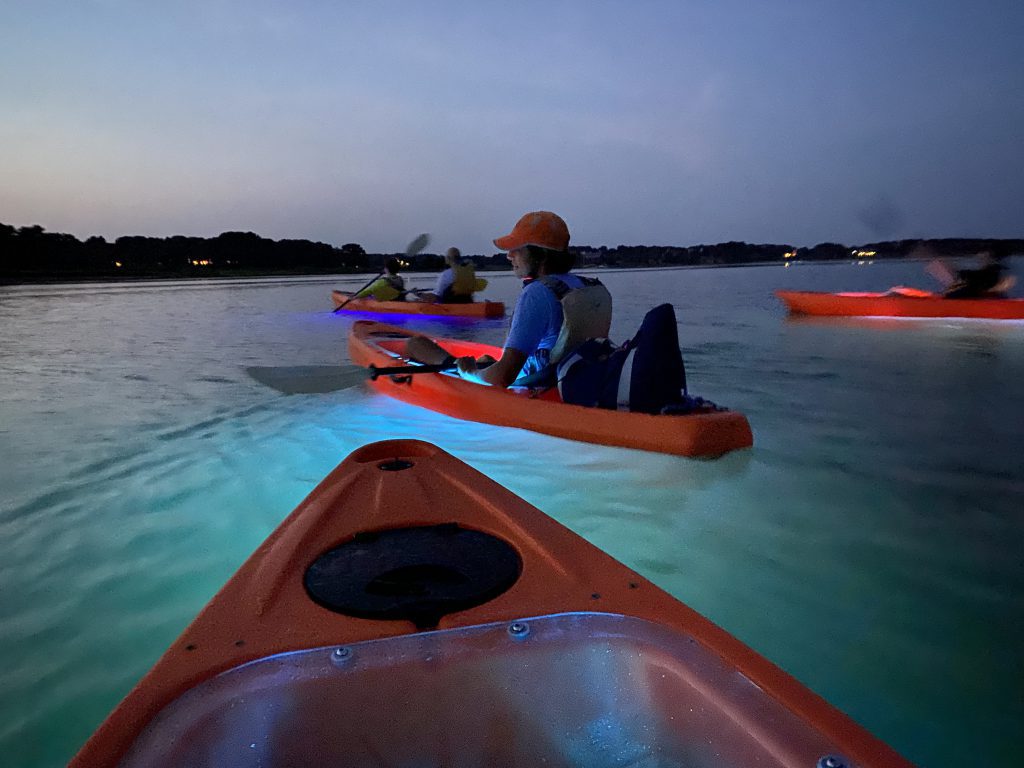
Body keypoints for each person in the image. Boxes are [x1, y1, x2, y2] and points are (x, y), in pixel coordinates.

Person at [406, 211, 611, 387]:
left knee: (416, 344)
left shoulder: (537, 293)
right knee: (486, 359)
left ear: (540, 255)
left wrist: (468, 373)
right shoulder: (586, 284)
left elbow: (502, 377)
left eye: (517, 249)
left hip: (535, 384)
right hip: (566, 379)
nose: (509, 255)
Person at [929, 244, 1016, 299]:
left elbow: (997, 286)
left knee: (958, 288)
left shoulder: (991, 271)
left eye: (984, 256)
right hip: (983, 296)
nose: (980, 258)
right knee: (957, 287)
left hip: (983, 299)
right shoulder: (989, 271)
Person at [413, 247, 486, 303]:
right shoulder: (468, 273)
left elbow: (435, 298)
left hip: (450, 305)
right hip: (467, 302)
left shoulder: (446, 274)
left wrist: (418, 294)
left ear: (448, 259)